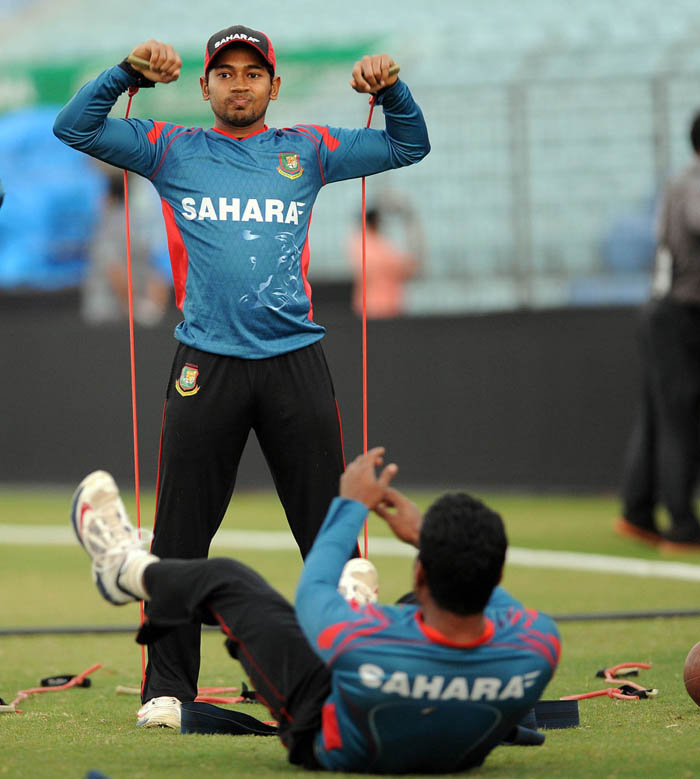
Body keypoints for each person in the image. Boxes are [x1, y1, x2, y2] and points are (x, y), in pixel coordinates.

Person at [53, 25, 430, 724]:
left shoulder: (306, 148)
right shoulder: (172, 147)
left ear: (273, 87)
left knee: (328, 531)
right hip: (207, 362)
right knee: (180, 537)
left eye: (251, 73)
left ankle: (339, 673)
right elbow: (73, 127)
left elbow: (409, 143)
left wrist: (392, 90)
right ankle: (168, 688)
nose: (238, 83)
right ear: (204, 87)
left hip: (295, 362)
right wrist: (123, 76)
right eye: (223, 73)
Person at [71, 447, 560, 773]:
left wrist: (349, 506)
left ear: (420, 571)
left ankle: (124, 569)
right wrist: (429, 542)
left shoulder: (357, 641)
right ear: (497, 578)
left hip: (326, 733)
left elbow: (313, 596)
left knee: (229, 580)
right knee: (411, 613)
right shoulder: (538, 645)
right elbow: (484, 596)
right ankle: (358, 601)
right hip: (438, 732)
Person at [617, 111, 700, 551]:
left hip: (664, 309)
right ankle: (683, 525)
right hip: (681, 313)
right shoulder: (695, 180)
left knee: (660, 416)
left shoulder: (678, 179)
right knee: (680, 419)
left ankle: (637, 511)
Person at [83, 165, 171, 326]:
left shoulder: (109, 224)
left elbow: (115, 270)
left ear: (108, 197)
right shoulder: (137, 221)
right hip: (127, 312)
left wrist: (135, 307)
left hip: (111, 316)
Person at [348, 196, 423, 318]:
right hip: (383, 308)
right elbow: (410, 267)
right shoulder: (377, 247)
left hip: (374, 306)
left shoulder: (359, 242)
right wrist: (409, 219)